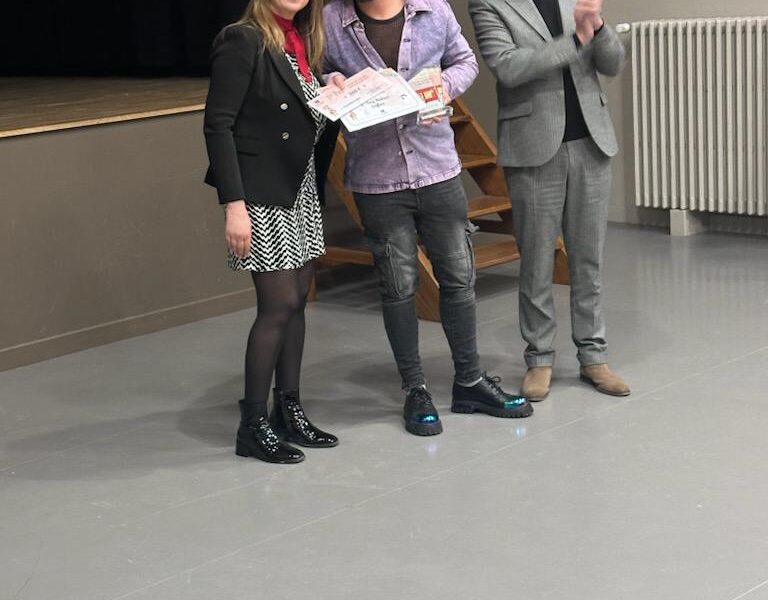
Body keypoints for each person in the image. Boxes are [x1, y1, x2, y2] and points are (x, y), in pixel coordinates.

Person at [323, 0, 534, 437]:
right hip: (377, 179)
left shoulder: (433, 9)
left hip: (438, 170)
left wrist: (442, 85)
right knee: (398, 286)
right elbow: (314, 75)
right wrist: (331, 83)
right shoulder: (330, 21)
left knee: (459, 277)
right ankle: (415, 389)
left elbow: (465, 61)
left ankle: (470, 381)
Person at [469, 0, 631, 401]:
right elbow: (509, 67)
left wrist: (598, 27)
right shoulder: (488, 3)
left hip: (592, 142)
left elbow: (612, 63)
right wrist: (576, 39)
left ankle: (593, 355)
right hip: (532, 146)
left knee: (588, 260)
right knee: (537, 261)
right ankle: (539, 358)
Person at [204, 0, 340, 463]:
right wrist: (234, 205)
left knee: (297, 299)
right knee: (278, 304)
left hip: (298, 187)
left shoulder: (303, 40)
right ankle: (252, 424)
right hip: (259, 193)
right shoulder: (242, 39)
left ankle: (289, 409)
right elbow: (218, 125)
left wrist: (332, 92)